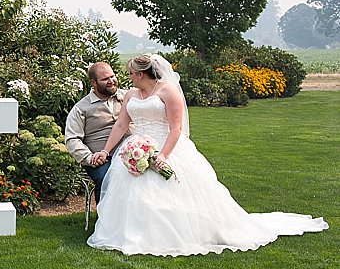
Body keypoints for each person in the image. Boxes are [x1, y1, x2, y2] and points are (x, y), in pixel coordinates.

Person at [87, 54, 328, 256]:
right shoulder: (130, 95)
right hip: (137, 148)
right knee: (133, 195)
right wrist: (107, 151)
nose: (128, 77)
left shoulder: (168, 92)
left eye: (130, 73)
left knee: (170, 193)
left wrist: (163, 155)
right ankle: (131, 233)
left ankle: (175, 234)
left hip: (166, 146)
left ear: (141, 74)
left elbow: (176, 128)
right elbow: (120, 126)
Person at [65, 62, 129, 205]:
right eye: (105, 79)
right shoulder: (81, 108)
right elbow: (72, 139)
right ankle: (106, 222)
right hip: (101, 159)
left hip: (130, 153)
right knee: (107, 177)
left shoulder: (128, 97)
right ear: (93, 83)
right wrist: (89, 157)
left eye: (112, 76)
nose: (112, 81)